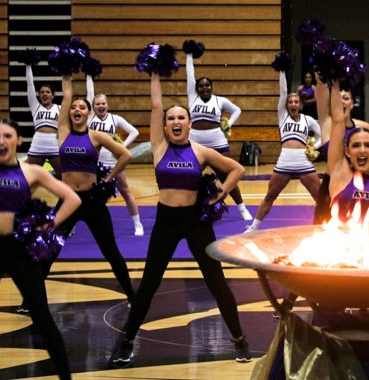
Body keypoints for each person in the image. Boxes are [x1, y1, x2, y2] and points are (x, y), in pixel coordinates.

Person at [111, 72, 251, 365]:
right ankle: (126, 340)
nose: (175, 122)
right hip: (166, 221)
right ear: (165, 125)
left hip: (196, 220)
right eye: (171, 118)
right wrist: (154, 74)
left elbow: (237, 169)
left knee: (217, 283)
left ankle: (239, 339)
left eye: (181, 118)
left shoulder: (201, 151)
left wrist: (220, 194)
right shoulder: (159, 147)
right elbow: (156, 105)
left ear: (189, 123)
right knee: (149, 284)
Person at [0, 118, 81, 378]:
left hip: (20, 250)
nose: (1, 141)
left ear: (18, 140)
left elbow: (72, 198)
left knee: (42, 318)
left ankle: (65, 375)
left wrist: (49, 225)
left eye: (7, 136)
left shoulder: (31, 171)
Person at [40, 74, 135, 303]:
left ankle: (132, 296)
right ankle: (30, 300)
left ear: (88, 113)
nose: (76, 110)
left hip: (92, 202)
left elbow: (125, 154)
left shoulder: (96, 136)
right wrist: (66, 76)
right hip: (68, 200)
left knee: (110, 251)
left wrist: (109, 178)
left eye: (82, 107)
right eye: (73, 108)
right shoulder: (63, 131)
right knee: (49, 249)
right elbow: (66, 97)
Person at [313, 71, 369, 224]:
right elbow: (321, 90)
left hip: (359, 185)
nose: (342, 102)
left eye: (346, 98)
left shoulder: (362, 128)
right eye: (338, 99)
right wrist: (320, 74)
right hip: (331, 185)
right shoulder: (327, 124)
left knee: (361, 232)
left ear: (352, 103)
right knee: (324, 232)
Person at [244, 70, 322, 232]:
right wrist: (282, 71)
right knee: (270, 196)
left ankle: (326, 226)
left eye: (296, 102)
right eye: (290, 102)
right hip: (284, 162)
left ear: (300, 105)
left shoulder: (308, 120)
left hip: (303, 162)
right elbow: (283, 92)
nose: (293, 104)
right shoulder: (282, 117)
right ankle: (253, 228)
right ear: (286, 105)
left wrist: (314, 146)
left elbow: (324, 135)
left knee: (320, 198)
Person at [185, 51, 252, 221]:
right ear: (196, 88)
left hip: (217, 142)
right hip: (195, 144)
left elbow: (237, 110)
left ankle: (242, 208)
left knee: (226, 176)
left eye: (208, 85)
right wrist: (189, 56)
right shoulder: (192, 97)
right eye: (201, 86)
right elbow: (189, 73)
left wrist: (229, 123)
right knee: (190, 177)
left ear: (212, 87)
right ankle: (188, 209)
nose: (205, 88)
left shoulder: (220, 100)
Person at [86, 75, 144, 236]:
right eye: (97, 104)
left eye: (103, 103)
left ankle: (138, 224)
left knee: (125, 191)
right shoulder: (89, 118)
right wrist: (89, 75)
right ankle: (92, 226)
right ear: (93, 106)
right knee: (91, 195)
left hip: (113, 162)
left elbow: (134, 131)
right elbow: (90, 92)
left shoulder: (115, 119)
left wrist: (121, 147)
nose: (101, 106)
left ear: (107, 105)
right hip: (94, 164)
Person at [24, 63, 62, 176]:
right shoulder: (35, 106)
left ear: (53, 95)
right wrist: (28, 65)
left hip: (54, 144)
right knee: (28, 176)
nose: (44, 94)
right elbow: (30, 85)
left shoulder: (59, 108)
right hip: (37, 144)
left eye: (47, 92)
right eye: (42, 92)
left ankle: (64, 194)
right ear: (39, 95)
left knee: (64, 176)